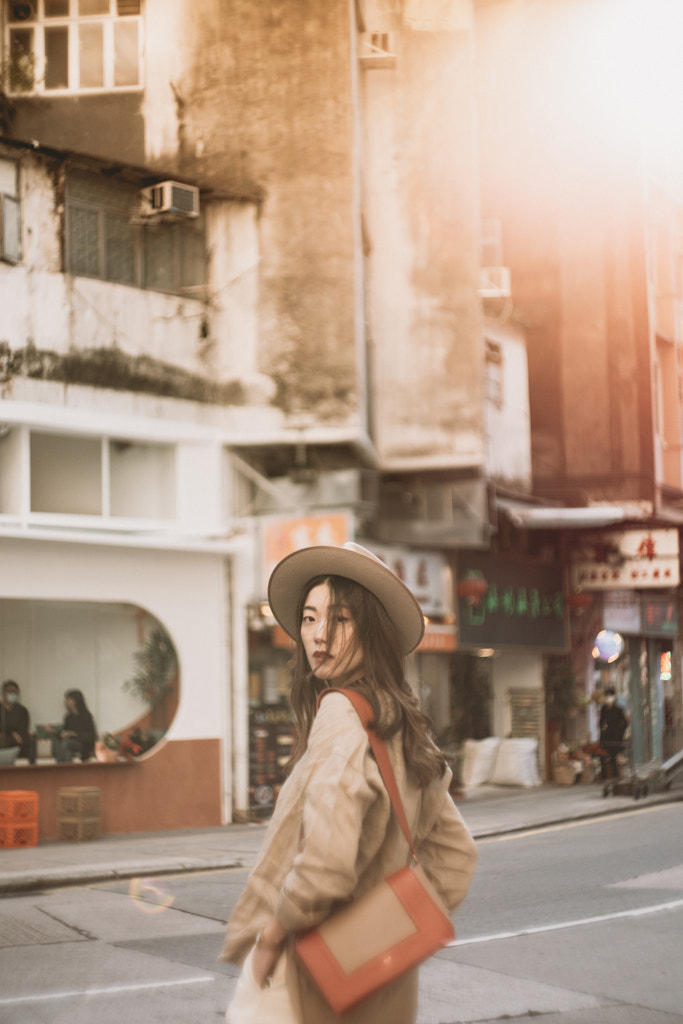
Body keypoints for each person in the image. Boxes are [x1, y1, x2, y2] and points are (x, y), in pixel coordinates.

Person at [221, 543, 478, 1024]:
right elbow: (457, 858)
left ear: (371, 629)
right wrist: (383, 930)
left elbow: (325, 865)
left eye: (339, 620)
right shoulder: (400, 718)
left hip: (311, 976)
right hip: (382, 980)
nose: (319, 636)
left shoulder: (340, 712)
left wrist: (274, 936)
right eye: (310, 618)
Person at [47, 689, 97, 763]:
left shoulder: (86, 716)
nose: (65, 702)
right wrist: (54, 731)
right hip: (70, 744)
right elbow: (64, 735)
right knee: (66, 749)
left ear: (74, 701)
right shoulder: (68, 717)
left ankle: (60, 770)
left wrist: (73, 734)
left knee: (66, 743)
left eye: (67, 699)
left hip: (84, 745)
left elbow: (91, 736)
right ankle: (66, 771)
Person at [0, 679, 36, 763]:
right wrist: (12, 733)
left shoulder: (22, 711)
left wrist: (6, 733)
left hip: (17, 743)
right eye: (10, 691)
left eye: (15, 692)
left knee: (30, 742)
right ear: (3, 693)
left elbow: (21, 734)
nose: (13, 694)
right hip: (4, 740)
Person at [599, 686, 628, 780]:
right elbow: (600, 722)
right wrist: (603, 729)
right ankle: (605, 774)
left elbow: (624, 723)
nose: (608, 698)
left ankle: (615, 775)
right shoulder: (604, 709)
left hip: (615, 737)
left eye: (610, 696)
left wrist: (620, 733)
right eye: (607, 696)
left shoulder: (618, 710)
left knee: (614, 755)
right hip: (605, 737)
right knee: (603, 755)